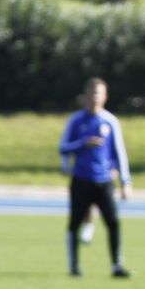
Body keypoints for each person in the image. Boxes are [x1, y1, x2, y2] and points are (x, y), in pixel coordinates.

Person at [58, 77, 132, 278]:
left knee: (113, 222)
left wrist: (125, 182)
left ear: (105, 97)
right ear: (84, 97)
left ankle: (116, 265)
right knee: (74, 223)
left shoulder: (110, 121)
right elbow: (63, 147)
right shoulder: (75, 120)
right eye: (91, 93)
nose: (94, 98)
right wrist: (82, 145)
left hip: (104, 181)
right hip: (81, 179)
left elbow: (119, 152)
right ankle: (74, 267)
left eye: (98, 93)